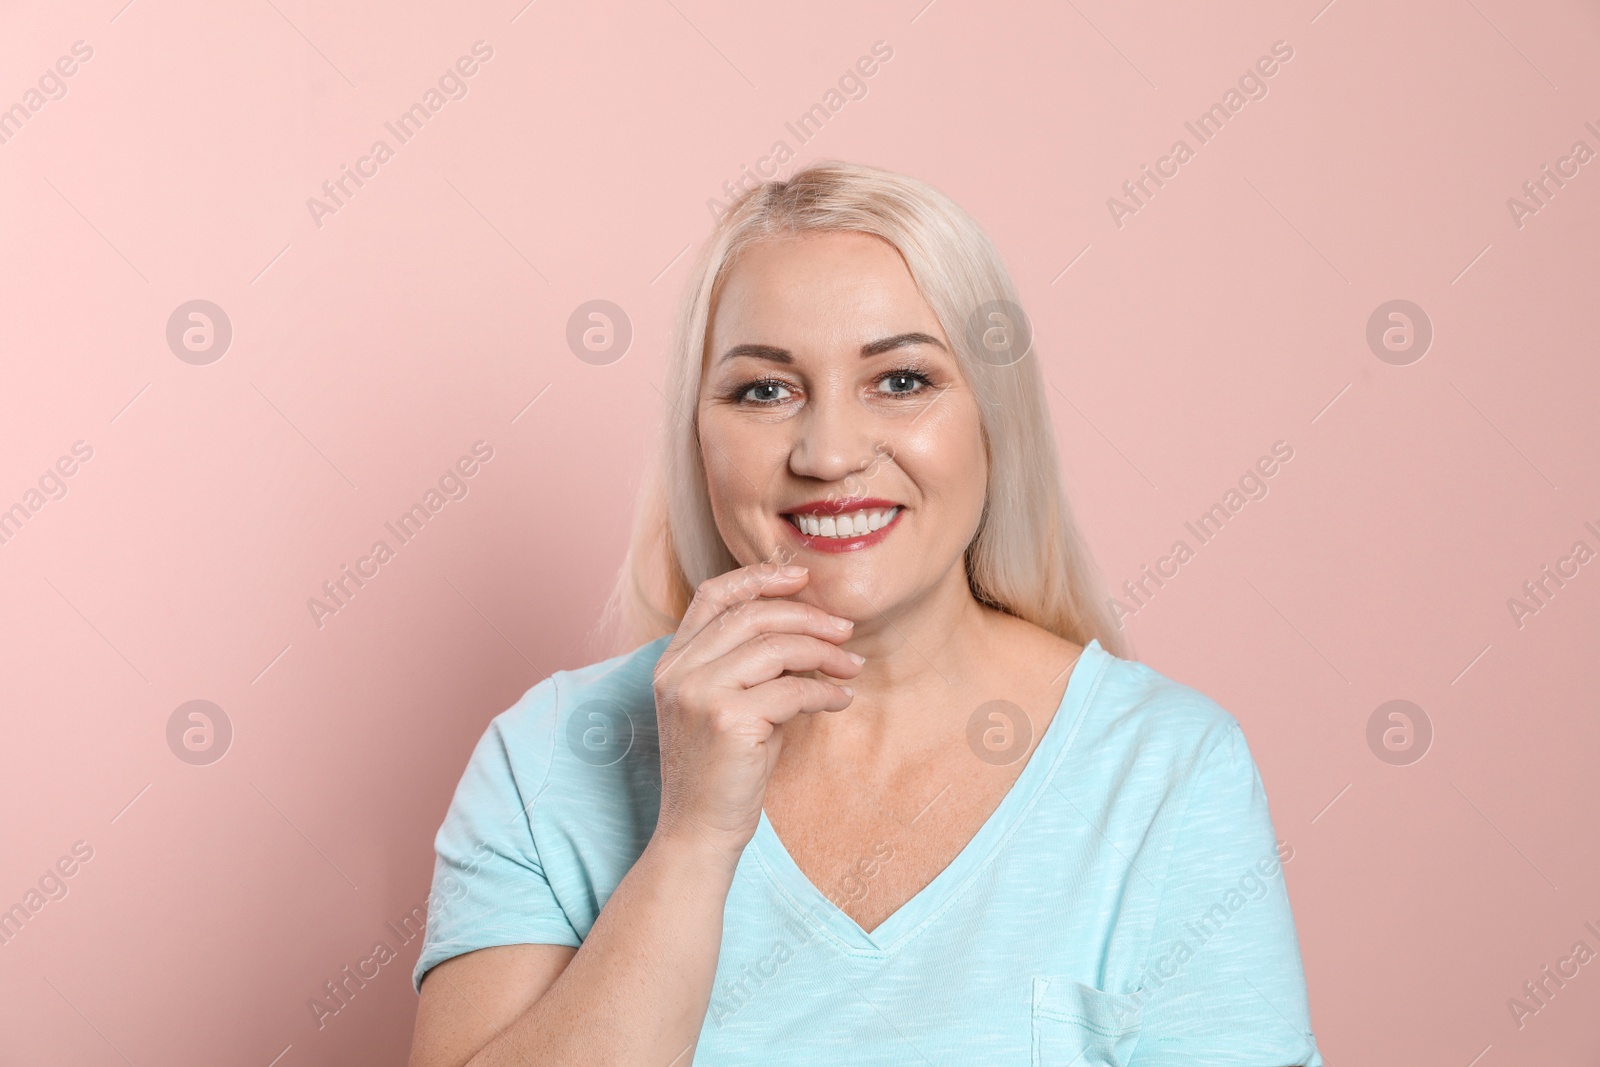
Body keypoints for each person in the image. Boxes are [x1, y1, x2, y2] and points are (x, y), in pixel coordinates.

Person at [406, 160, 1323, 1066]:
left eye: (901, 380)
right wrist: (691, 839)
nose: (831, 452)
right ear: (701, 434)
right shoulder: (547, 761)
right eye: (765, 389)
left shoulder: (1168, 769)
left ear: (993, 419)